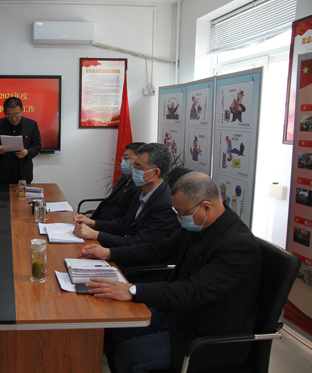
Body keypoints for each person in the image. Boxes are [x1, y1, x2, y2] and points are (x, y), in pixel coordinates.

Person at [79, 172, 261, 373]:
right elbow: (160, 249)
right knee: (111, 327)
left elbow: (192, 291)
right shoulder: (198, 225)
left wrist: (133, 290)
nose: (179, 217)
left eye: (182, 212)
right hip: (177, 316)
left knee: (130, 355)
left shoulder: (238, 245)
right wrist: (109, 252)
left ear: (206, 207)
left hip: (207, 337)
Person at [73, 143, 178, 248]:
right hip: (124, 247)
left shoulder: (164, 204)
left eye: (138, 167)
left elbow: (140, 244)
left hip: (133, 255)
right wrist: (93, 224)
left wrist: (97, 235)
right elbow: (124, 224)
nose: (133, 170)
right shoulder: (142, 192)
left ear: (155, 173)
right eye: (134, 165)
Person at [0, 96, 42, 185]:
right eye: (9, 115)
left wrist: (27, 152)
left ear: (22, 110)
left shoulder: (32, 125)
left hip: (24, 173)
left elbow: (37, 146)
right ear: (4, 112)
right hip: (3, 174)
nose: (14, 118)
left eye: (17, 114)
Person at [87, 142, 145, 220]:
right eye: (123, 158)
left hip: (109, 225)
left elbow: (124, 221)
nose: (123, 161)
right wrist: (94, 216)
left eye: (126, 158)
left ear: (139, 159)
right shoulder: (125, 178)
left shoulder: (141, 186)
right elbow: (112, 204)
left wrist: (95, 223)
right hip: (101, 221)